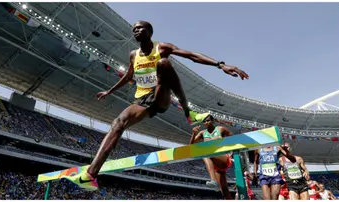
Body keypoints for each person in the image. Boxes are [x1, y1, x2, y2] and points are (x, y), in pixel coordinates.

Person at [66, 21, 249, 190]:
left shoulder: (162, 47)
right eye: (134, 29)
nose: (136, 31)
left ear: (150, 32)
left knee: (163, 64)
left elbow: (191, 55)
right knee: (118, 123)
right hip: (142, 101)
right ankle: (91, 175)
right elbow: (129, 76)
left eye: (140, 28)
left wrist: (220, 64)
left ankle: (188, 112)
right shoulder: (133, 55)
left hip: (161, 96)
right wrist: (109, 91)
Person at [189, 114, 234, 199]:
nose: (206, 122)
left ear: (212, 121)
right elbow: (190, 147)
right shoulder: (202, 133)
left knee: (204, 152)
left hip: (223, 158)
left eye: (208, 120)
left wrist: (231, 151)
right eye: (204, 121)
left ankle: (213, 180)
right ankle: (215, 183)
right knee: (224, 191)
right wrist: (194, 134)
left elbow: (235, 138)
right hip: (215, 166)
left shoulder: (221, 129)